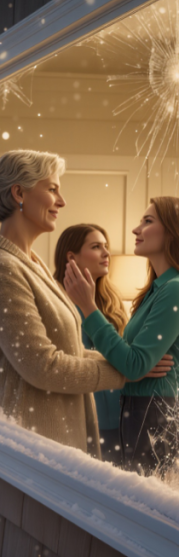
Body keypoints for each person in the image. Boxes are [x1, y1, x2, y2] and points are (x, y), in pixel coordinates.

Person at [0, 149, 129, 457]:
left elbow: (69, 350)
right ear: (19, 193)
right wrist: (126, 373)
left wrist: (128, 362)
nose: (62, 201)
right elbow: (43, 366)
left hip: (54, 444)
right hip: (32, 451)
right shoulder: (1, 268)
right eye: (53, 189)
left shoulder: (30, 262)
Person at [64, 197, 179, 477]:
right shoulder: (156, 291)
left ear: (172, 231)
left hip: (152, 412)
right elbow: (132, 361)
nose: (136, 229)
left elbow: (133, 364)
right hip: (137, 411)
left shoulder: (174, 289)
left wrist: (89, 307)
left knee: (144, 501)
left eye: (148, 221)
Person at [53, 224, 127, 463]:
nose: (106, 253)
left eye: (106, 246)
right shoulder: (57, 305)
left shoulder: (112, 301)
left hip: (123, 417)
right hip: (85, 420)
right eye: (96, 247)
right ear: (71, 257)